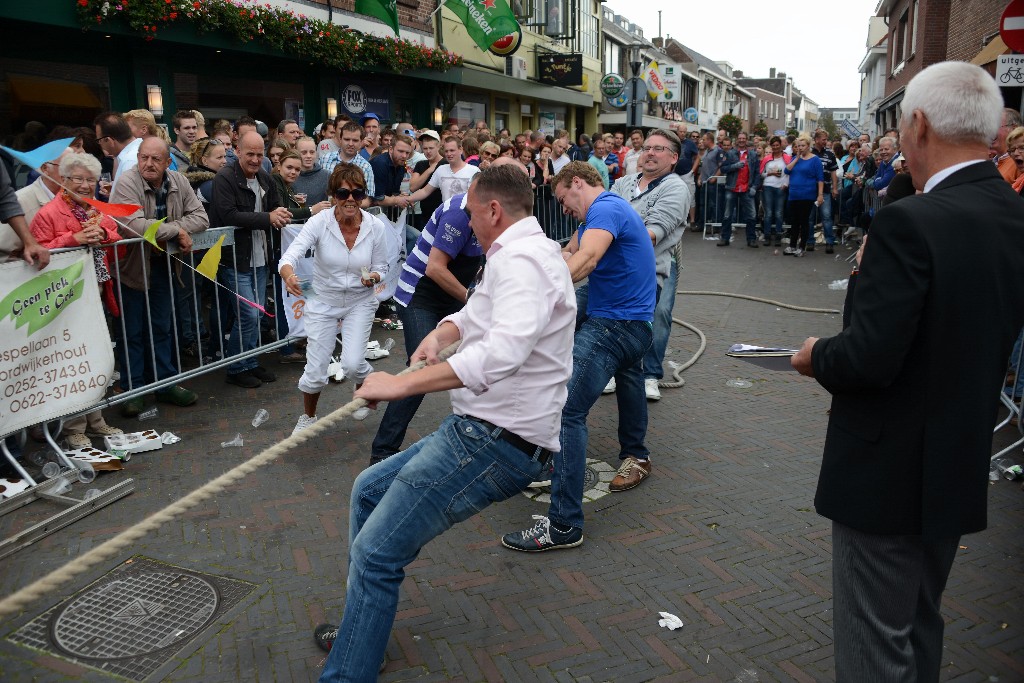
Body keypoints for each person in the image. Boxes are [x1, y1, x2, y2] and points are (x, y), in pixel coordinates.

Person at [791, 61, 1024, 683]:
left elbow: (869, 357)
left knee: (873, 645)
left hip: (887, 471)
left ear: (917, 124)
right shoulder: (1008, 209)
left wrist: (819, 355)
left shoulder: (910, 221)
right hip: (956, 458)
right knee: (920, 624)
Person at [313, 164, 576, 679]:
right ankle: (360, 637)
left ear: (494, 210)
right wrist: (441, 332)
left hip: (495, 442)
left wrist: (400, 384)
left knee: (375, 554)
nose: (466, 225)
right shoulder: (519, 252)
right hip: (480, 432)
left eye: (471, 213)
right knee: (369, 490)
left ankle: (349, 670)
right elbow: (479, 315)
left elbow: (503, 352)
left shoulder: (523, 261)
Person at [502, 161, 655, 552]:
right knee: (623, 380)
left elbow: (585, 260)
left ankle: (564, 525)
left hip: (617, 327)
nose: (564, 208)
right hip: (631, 324)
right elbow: (566, 250)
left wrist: (538, 294)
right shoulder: (595, 218)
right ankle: (627, 454)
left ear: (577, 184)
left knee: (565, 410)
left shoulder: (606, 207)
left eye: (562, 199)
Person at [280, 164, 388, 435]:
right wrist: (289, 274)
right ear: (333, 195)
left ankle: (364, 386)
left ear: (364, 195)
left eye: (357, 193)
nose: (350, 199)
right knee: (316, 368)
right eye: (343, 193)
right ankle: (308, 416)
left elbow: (382, 267)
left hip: (360, 300)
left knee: (352, 365)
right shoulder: (320, 221)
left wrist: (373, 277)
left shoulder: (374, 226)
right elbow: (291, 254)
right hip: (322, 298)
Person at [29, 152, 123, 447]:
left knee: (96, 359)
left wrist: (104, 233)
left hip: (95, 295)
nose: (84, 185)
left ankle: (96, 420)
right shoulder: (48, 213)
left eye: (90, 180)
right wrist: (74, 239)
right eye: (78, 179)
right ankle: (73, 428)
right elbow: (38, 255)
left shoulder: (96, 210)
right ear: (64, 180)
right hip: (65, 301)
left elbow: (116, 237)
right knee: (73, 363)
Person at [110, 138, 207, 414]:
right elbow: (132, 225)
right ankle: (133, 390)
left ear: (167, 162)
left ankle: (165, 383)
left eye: (155, 159)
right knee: (132, 331)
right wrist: (176, 231)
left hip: (164, 266)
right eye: (143, 158)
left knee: (163, 326)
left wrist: (172, 228)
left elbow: (201, 217)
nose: (148, 164)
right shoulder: (127, 183)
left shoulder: (178, 181)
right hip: (131, 267)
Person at [606, 128, 689, 408]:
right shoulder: (623, 183)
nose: (650, 153)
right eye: (647, 148)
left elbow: (653, 233)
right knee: (612, 317)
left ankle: (651, 374)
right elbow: (604, 214)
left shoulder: (676, 188)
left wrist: (612, 231)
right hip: (617, 267)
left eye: (659, 149)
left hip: (657, 265)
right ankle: (615, 371)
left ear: (674, 157)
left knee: (659, 313)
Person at [208, 131, 291, 388]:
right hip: (234, 259)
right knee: (249, 315)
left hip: (260, 256)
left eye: (259, 154)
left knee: (255, 313)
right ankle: (236, 366)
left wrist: (277, 214)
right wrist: (267, 218)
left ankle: (250, 362)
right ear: (238, 151)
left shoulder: (265, 177)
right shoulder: (224, 178)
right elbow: (228, 214)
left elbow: (276, 206)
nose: (256, 159)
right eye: (250, 154)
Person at [406, 136, 479, 206]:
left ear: (460, 150)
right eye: (446, 151)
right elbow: (425, 191)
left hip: (466, 216)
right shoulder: (441, 169)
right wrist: (407, 199)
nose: (449, 154)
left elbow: (478, 197)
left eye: (452, 150)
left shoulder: (473, 171)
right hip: (446, 215)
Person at [783, 134, 824, 256]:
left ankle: (802, 247)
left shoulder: (815, 159)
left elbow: (820, 178)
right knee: (794, 221)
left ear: (808, 146)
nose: (800, 148)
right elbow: (786, 171)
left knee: (804, 221)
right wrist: (796, 158)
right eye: (798, 146)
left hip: (807, 194)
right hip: (794, 193)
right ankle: (792, 245)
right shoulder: (795, 158)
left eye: (803, 145)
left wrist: (820, 194)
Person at [719, 133, 761, 248]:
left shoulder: (753, 154)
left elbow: (757, 173)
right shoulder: (730, 153)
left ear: (747, 140)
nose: (742, 140)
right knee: (727, 214)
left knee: (751, 215)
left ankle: (751, 239)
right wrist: (735, 166)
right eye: (740, 138)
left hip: (747, 188)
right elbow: (723, 168)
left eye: (744, 138)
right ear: (737, 140)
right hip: (732, 188)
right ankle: (724, 238)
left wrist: (754, 187)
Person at [321, 122, 375, 200]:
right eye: (347, 139)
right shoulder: (325, 159)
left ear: (361, 142)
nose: (350, 144)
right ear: (340, 139)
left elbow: (369, 199)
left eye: (355, 140)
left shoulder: (365, 167)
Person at [94, 112, 142, 195]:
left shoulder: (129, 162)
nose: (100, 144)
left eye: (99, 140)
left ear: (108, 140)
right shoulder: (140, 149)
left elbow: (130, 203)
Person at [809, 129, 840, 253]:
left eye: (826, 139)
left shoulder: (830, 154)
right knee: (809, 217)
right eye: (823, 139)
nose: (825, 142)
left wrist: (835, 188)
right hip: (810, 190)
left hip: (826, 189)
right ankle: (809, 241)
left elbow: (833, 172)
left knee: (826, 216)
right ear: (816, 140)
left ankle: (829, 242)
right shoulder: (809, 152)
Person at [409, 130, 445, 230]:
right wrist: (429, 170)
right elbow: (413, 187)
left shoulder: (446, 164)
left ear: (438, 147)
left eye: (431, 148)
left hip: (443, 214)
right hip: (425, 215)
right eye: (425, 148)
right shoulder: (421, 164)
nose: (428, 151)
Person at [759, 136, 791, 246]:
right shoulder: (767, 158)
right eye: (774, 145)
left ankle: (778, 235)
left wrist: (786, 184)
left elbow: (789, 172)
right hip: (768, 186)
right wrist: (770, 173)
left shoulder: (787, 158)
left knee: (778, 213)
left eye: (777, 145)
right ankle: (767, 235)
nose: (776, 147)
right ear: (771, 146)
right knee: (768, 213)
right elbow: (761, 174)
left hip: (780, 187)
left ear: (780, 145)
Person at [291, 136, 330, 205]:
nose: (308, 156)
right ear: (296, 152)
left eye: (312, 152)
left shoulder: (326, 175)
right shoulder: (290, 175)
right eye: (304, 153)